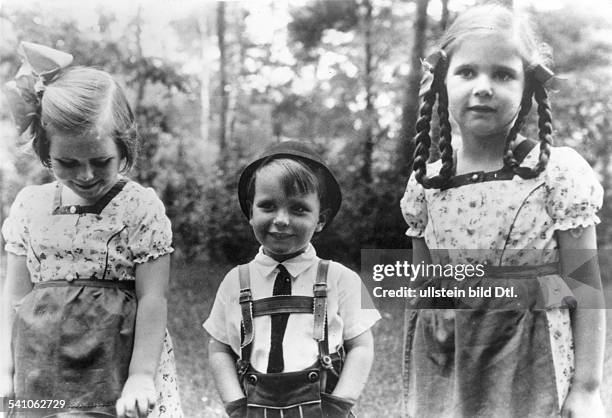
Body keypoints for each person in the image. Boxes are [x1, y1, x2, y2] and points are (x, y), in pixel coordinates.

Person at [400, 5, 605, 418]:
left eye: (503, 74)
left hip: (532, 364)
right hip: (450, 367)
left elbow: (583, 286)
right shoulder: (428, 181)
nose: (483, 87)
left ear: (528, 86)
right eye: (467, 72)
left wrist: (586, 388)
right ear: (441, 82)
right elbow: (425, 295)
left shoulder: (556, 174)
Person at [0, 42, 182, 418]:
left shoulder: (138, 208)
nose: (85, 175)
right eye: (67, 162)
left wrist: (141, 377)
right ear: (45, 151)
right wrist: (5, 368)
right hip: (43, 367)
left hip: (115, 367)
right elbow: (14, 297)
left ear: (124, 147)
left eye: (101, 161)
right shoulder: (30, 207)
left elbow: (153, 299)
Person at [203, 141, 380, 417]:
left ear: (320, 220)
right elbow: (219, 348)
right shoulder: (234, 281)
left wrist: (340, 405)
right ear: (251, 212)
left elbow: (362, 346)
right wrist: (236, 405)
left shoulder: (343, 279)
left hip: (324, 409)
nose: (282, 220)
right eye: (268, 206)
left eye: (298, 209)